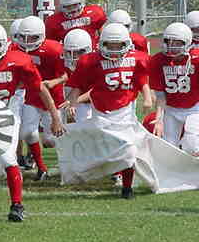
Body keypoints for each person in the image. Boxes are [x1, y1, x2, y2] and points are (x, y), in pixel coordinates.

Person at [0, 21, 64, 221]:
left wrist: (55, 116)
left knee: (8, 160)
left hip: (7, 116)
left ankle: (17, 205)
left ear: (3, 44)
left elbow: (40, 89)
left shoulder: (19, 61)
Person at [65, 23, 152, 199]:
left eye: (118, 46)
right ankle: (91, 172)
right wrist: (72, 104)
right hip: (101, 114)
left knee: (129, 150)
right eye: (109, 46)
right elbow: (77, 86)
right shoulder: (90, 61)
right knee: (107, 151)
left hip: (125, 111)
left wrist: (147, 97)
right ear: (102, 44)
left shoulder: (137, 58)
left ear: (126, 44)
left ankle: (127, 188)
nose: (113, 50)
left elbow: (142, 80)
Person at [16, 16, 67, 180]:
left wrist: (54, 82)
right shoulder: (15, 49)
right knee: (27, 133)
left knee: (52, 140)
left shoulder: (55, 50)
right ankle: (41, 168)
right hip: (32, 97)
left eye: (32, 37)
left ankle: (67, 166)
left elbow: (67, 74)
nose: (27, 42)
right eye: (23, 37)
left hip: (54, 97)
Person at [149, 23, 198, 148]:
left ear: (188, 43)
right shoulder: (157, 61)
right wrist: (159, 119)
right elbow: (160, 96)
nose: (172, 46)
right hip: (171, 109)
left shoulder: (196, 58)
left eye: (177, 43)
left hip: (194, 108)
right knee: (168, 146)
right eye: (169, 42)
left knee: (192, 145)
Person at [62, 29, 94, 122]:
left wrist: (74, 101)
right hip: (76, 100)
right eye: (70, 52)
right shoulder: (62, 62)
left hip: (95, 104)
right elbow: (76, 87)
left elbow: (96, 90)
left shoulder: (96, 63)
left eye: (79, 52)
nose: (74, 57)